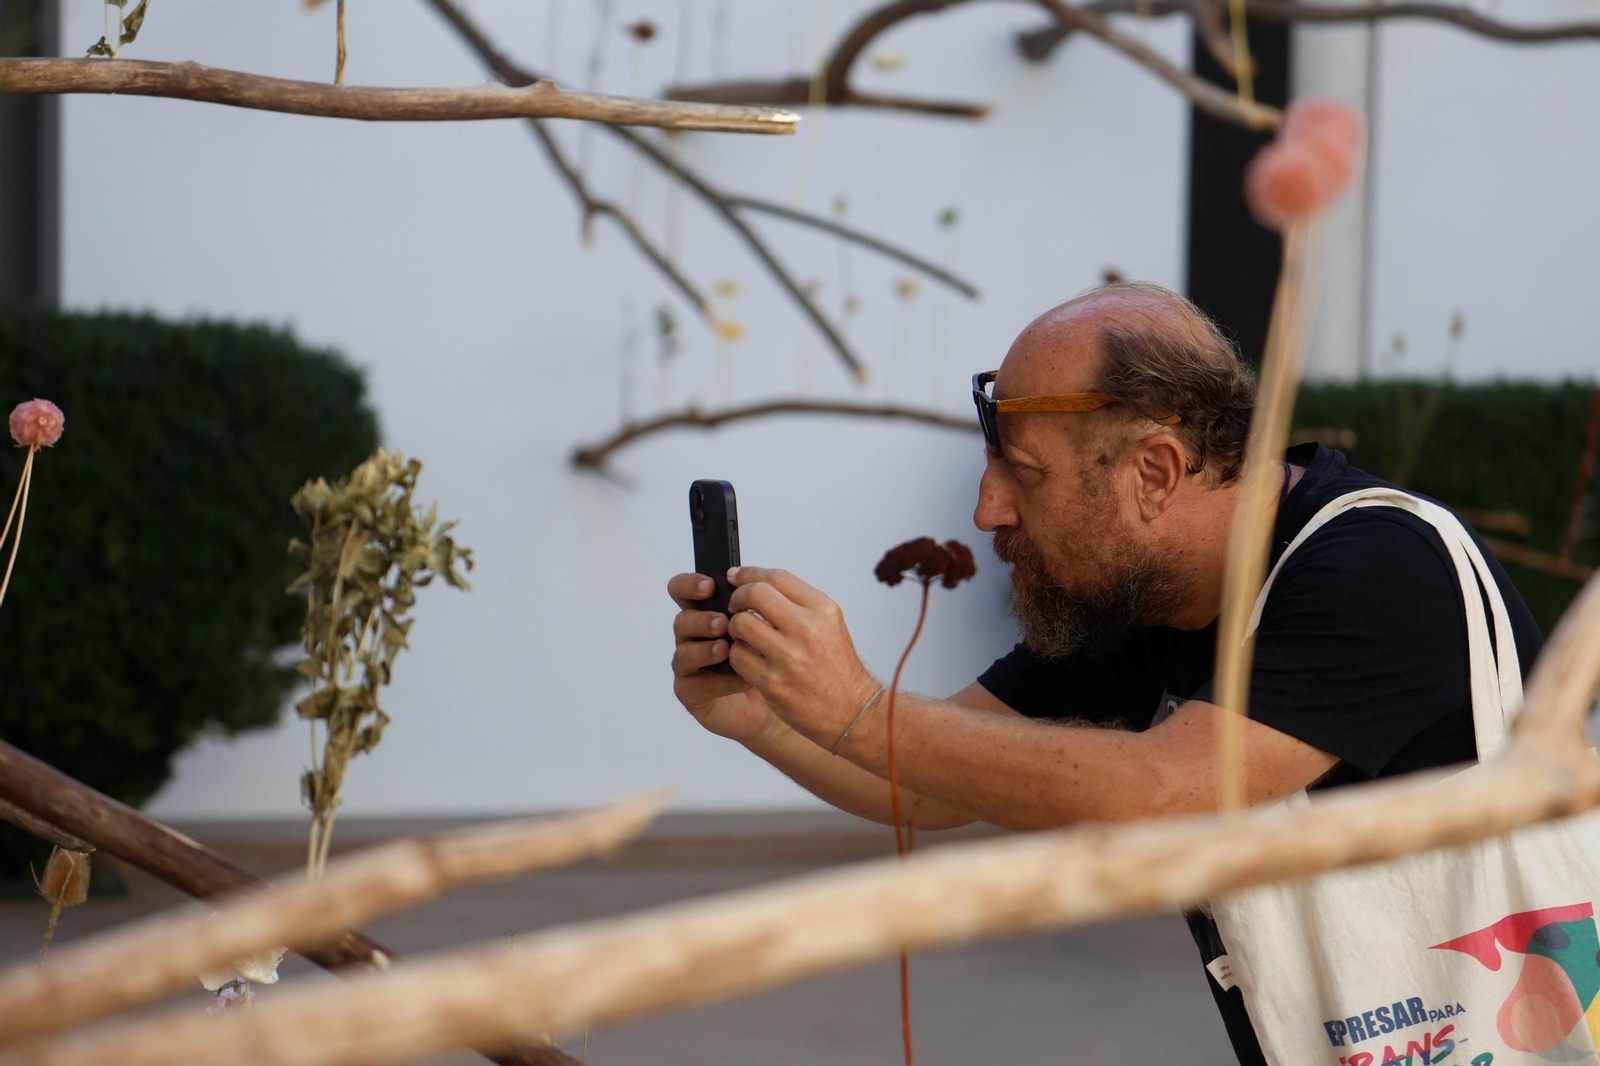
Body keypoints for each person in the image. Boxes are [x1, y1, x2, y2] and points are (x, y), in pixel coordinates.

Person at [665, 280, 1543, 1064]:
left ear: (1155, 472)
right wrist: (773, 715)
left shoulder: (1380, 564)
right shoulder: (1147, 603)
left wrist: (858, 706)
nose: (985, 508)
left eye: (1025, 472)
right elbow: (924, 787)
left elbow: (1162, 792)